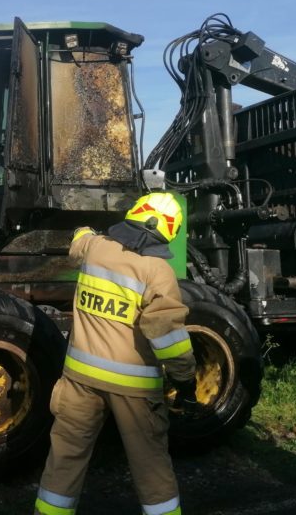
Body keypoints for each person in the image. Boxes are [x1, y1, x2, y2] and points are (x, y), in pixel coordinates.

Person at [34, 192, 197, 515]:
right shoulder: (157, 272)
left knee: (65, 456)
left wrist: (90, 230)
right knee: (151, 466)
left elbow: (79, 238)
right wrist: (186, 380)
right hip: (133, 388)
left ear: (134, 214)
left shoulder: (96, 248)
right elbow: (168, 337)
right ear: (169, 230)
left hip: (80, 379)